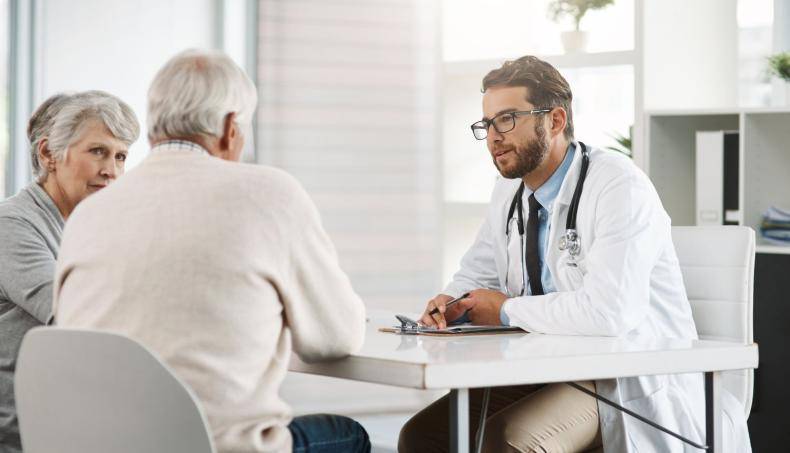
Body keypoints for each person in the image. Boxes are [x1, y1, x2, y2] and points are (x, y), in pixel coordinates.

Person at [399, 56, 751, 452]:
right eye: (487, 123)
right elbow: (477, 274)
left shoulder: (618, 186)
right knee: (422, 437)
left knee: (510, 441)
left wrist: (505, 310)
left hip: (623, 377)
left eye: (508, 118)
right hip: (543, 368)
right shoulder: (508, 192)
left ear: (555, 120)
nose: (494, 135)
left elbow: (610, 312)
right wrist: (453, 302)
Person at [52, 49, 371, 453]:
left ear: (153, 127)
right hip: (215, 447)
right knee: (350, 436)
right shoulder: (271, 194)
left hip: (100, 444)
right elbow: (335, 337)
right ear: (230, 128)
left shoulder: (88, 214)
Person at [0, 91, 139, 452]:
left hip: (72, 424)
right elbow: (74, 311)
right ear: (48, 154)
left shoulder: (86, 228)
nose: (112, 170)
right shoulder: (11, 225)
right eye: (98, 152)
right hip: (22, 437)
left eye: (121, 156)